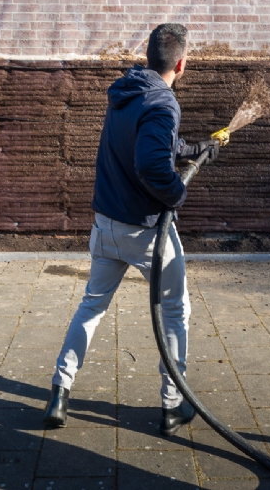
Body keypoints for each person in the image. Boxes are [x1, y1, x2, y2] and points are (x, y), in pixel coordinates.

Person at [43, 23, 218, 436]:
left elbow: (150, 142)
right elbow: (151, 163)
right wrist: (177, 194)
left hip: (105, 226)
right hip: (145, 234)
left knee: (91, 306)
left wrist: (195, 150)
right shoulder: (164, 102)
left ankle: (59, 391)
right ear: (181, 63)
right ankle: (173, 404)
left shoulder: (127, 91)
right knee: (174, 311)